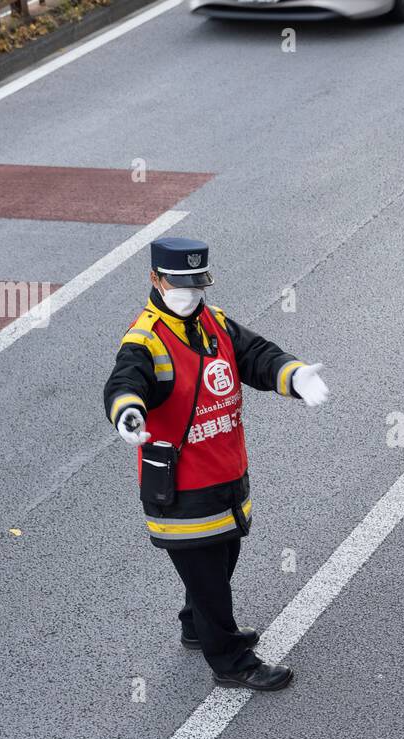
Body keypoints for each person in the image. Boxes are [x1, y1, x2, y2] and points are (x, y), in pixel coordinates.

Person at [102, 238, 329, 691]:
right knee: (207, 576)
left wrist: (293, 374)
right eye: (178, 285)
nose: (189, 294)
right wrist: (128, 411)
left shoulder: (214, 322)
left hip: (224, 473)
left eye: (195, 285)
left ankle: (195, 624)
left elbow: (256, 356)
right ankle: (231, 660)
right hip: (182, 490)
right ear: (155, 280)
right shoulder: (145, 340)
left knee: (224, 554)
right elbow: (126, 380)